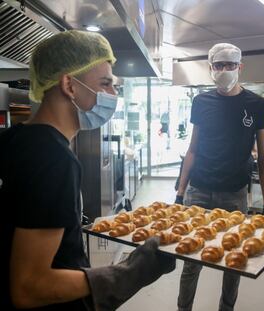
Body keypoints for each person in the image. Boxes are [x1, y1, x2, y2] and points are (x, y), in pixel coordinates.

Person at [0, 30, 175, 311]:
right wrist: (128, 272)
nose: (114, 94)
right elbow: (28, 286)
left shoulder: (17, 139)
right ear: (69, 85)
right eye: (106, 83)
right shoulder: (55, 159)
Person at [175, 43, 264, 311]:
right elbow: (192, 149)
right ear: (211, 69)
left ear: (240, 67)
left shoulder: (257, 104)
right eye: (219, 65)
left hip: (235, 193)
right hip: (199, 190)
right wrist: (180, 192)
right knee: (191, 260)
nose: (224, 70)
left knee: (234, 260)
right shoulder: (201, 101)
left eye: (230, 65)